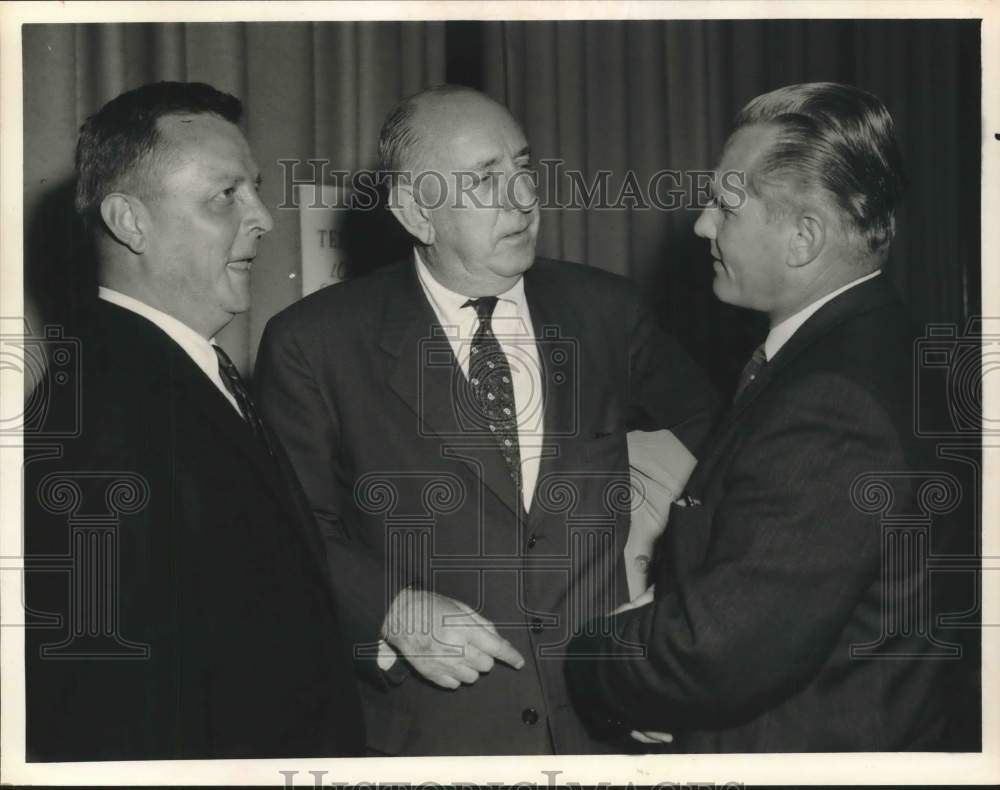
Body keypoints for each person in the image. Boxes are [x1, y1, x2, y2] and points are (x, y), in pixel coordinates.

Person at [254, 84, 719, 755]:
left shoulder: (608, 313)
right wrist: (388, 609)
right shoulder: (316, 342)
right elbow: (289, 529)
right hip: (431, 735)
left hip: (604, 728)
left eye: (524, 168)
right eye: (485, 180)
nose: (524, 198)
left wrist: (684, 611)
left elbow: (736, 455)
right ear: (416, 211)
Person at [565, 82, 966, 751]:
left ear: (803, 237)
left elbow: (717, 653)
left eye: (725, 205)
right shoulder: (880, 347)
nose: (701, 225)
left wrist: (588, 657)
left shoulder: (834, 403)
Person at [23, 81, 364, 761]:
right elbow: (107, 705)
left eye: (256, 190)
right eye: (225, 197)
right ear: (130, 222)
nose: (264, 217)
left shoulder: (176, 374)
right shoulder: (97, 414)